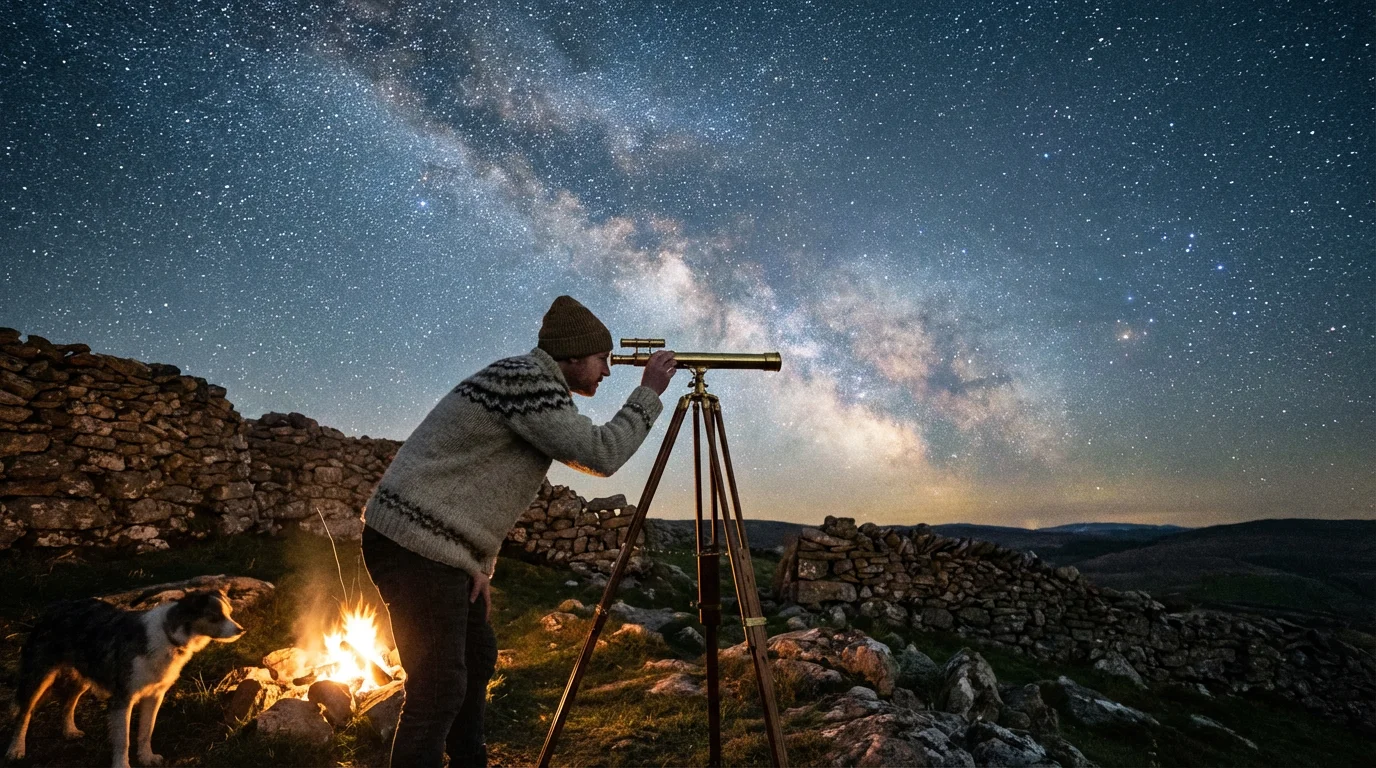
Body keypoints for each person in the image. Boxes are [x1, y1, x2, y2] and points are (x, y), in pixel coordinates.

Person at [361, 295, 677, 768]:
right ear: (571, 355)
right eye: (601, 359)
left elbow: (473, 483)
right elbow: (601, 453)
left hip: (435, 547)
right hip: (413, 544)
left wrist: (478, 566)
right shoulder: (527, 382)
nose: (607, 372)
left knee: (478, 657)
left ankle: (469, 760)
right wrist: (650, 392)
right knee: (438, 685)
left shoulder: (530, 383)